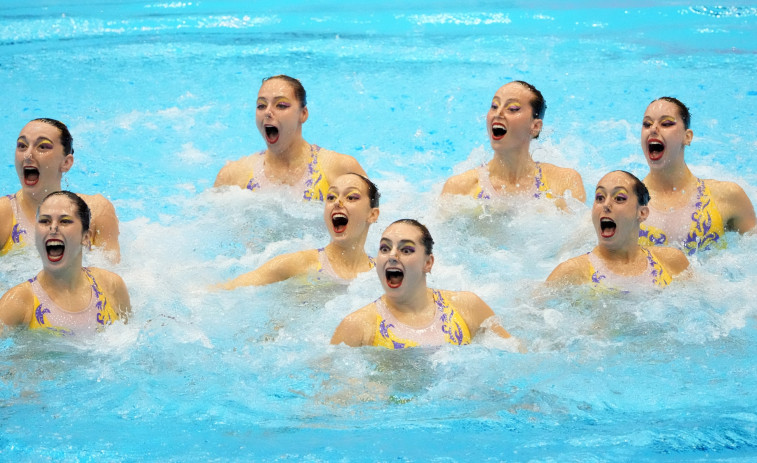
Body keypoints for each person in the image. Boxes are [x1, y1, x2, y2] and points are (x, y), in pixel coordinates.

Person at [331, 219, 521, 349]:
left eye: (406, 250)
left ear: (428, 263)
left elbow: (515, 356)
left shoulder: (466, 306)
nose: (392, 256)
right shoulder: (357, 326)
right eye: (385, 248)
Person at [214, 75, 367, 201]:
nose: (268, 112)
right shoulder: (232, 177)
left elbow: (372, 221)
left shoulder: (340, 169)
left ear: (303, 114)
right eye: (261, 105)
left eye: (281, 105)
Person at [217, 173, 380, 289]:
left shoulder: (380, 274)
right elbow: (229, 289)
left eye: (351, 197)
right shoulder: (298, 264)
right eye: (331, 197)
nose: (337, 202)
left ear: (372, 215)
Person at [0, 191, 130, 335]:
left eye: (64, 221)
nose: (53, 228)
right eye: (45, 221)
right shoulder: (19, 302)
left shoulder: (111, 286)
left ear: (85, 237)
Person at [637, 97, 756, 255]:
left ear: (687, 137)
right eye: (647, 124)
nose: (653, 129)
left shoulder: (728, 196)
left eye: (666, 124)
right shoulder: (626, 205)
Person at [441, 80, 586, 209]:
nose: (498, 113)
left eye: (513, 109)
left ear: (535, 127)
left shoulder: (564, 182)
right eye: (494, 106)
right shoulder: (459, 188)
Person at [0, 118, 121, 262]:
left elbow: (113, 278)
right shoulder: (3, 215)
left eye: (42, 147)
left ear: (66, 163)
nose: (28, 155)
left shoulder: (96, 211)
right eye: (22, 146)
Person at [547, 171, 689, 291]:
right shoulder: (572, 273)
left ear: (642, 213)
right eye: (600, 198)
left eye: (619, 198)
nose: (606, 205)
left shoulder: (671, 262)